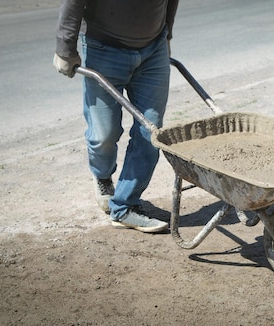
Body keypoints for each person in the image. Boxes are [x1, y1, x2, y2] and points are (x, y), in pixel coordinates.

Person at [53, 0, 179, 233]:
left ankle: (125, 207)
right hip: (104, 48)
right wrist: (65, 48)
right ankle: (102, 176)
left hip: (154, 48)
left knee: (150, 131)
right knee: (104, 134)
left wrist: (167, 34)